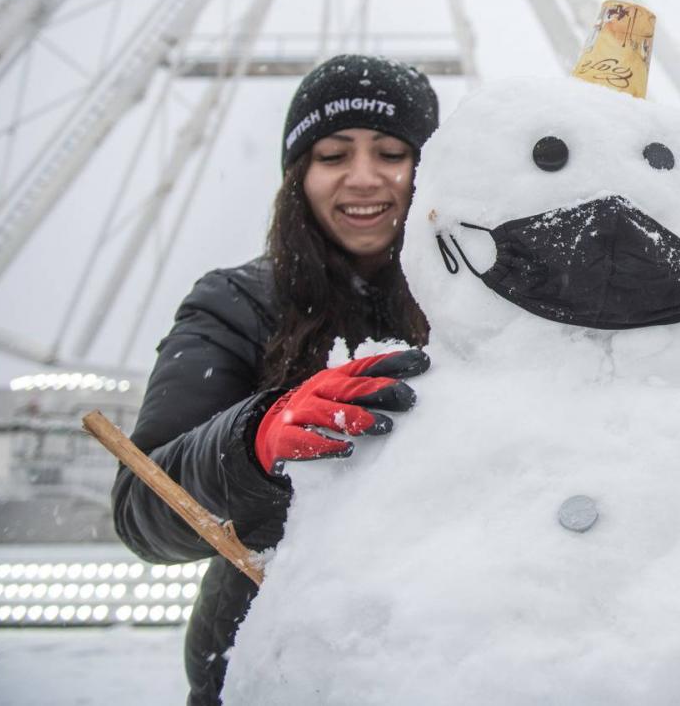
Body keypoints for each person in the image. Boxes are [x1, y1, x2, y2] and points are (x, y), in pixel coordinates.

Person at [111, 54, 440, 706]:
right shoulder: (237, 303)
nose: (364, 177)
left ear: (430, 170)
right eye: (333, 153)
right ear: (299, 173)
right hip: (267, 666)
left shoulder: (485, 301)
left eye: (392, 151)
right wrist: (252, 441)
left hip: (445, 660)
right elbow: (144, 507)